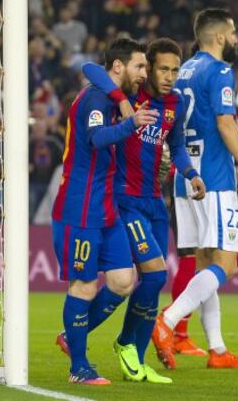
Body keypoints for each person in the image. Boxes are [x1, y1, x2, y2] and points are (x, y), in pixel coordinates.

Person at [75, 38, 205, 382]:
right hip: (124, 199)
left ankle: (129, 351)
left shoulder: (174, 103)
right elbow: (89, 68)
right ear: (147, 67)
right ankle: (116, 343)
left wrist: (190, 173)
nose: (169, 76)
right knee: (153, 272)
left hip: (154, 202)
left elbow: (175, 146)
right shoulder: (131, 93)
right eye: (163, 68)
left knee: (154, 279)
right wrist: (121, 100)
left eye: (175, 70)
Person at [152, 8, 238, 369]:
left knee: (205, 264)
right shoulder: (220, 71)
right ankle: (167, 321)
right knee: (226, 265)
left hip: (186, 180)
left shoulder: (183, 71)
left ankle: (216, 350)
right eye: (233, 32)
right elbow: (226, 124)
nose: (236, 38)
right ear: (218, 37)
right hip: (214, 178)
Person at [52, 37, 160, 385]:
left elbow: (90, 68)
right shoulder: (96, 98)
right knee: (83, 285)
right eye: (139, 66)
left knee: (122, 280)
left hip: (106, 208)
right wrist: (132, 121)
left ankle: (70, 336)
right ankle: (79, 368)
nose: (144, 73)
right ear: (118, 66)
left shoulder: (114, 97)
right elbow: (97, 138)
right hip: (80, 207)